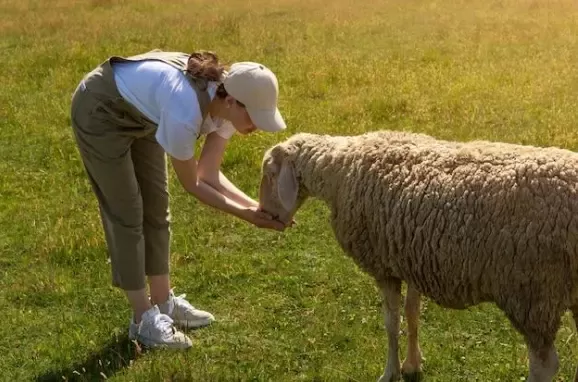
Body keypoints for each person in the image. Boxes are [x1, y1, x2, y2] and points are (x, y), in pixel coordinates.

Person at [70, 49, 288, 349]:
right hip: (100, 111)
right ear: (231, 101)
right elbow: (194, 184)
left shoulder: (225, 106)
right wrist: (247, 216)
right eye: (254, 116)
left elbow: (209, 172)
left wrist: (257, 207)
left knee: (157, 208)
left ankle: (163, 303)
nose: (257, 126)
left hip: (143, 115)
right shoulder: (185, 109)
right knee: (128, 213)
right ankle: (142, 320)